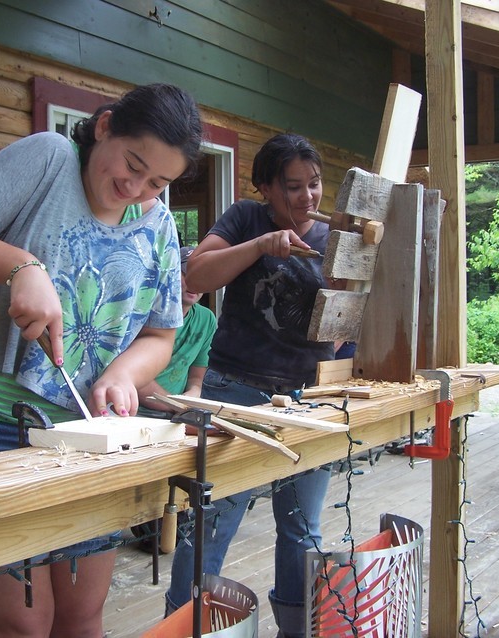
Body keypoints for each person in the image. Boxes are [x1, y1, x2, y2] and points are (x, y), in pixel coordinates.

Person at [0, 83, 202, 638]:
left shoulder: (159, 224)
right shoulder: (48, 158)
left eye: (157, 182)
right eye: (132, 164)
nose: (135, 188)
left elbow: (160, 335)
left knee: (81, 615)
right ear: (104, 128)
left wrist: (125, 372)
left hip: (86, 433)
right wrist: (20, 266)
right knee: (25, 622)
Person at [165, 133, 335, 638]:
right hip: (235, 390)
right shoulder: (245, 218)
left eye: (315, 184)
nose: (308, 197)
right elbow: (198, 271)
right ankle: (183, 628)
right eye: (293, 187)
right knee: (210, 524)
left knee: (302, 528)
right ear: (264, 187)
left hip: (309, 397)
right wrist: (262, 244)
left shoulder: (337, 235)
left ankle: (296, 630)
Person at [137, 245, 217, 417]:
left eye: (203, 276)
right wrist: (177, 405)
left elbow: (197, 376)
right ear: (170, 273)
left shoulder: (206, 319)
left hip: (178, 412)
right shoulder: (142, 313)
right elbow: (135, 380)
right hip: (134, 413)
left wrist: (192, 396)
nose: (195, 282)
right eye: (187, 274)